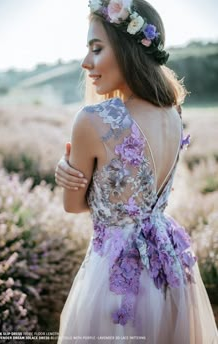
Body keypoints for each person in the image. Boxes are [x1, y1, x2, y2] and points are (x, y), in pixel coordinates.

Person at [55, 0, 218, 343]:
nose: (86, 62)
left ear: (128, 49)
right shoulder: (173, 113)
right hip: (169, 270)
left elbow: (74, 204)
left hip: (116, 278)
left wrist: (67, 171)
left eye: (96, 49)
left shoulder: (94, 120)